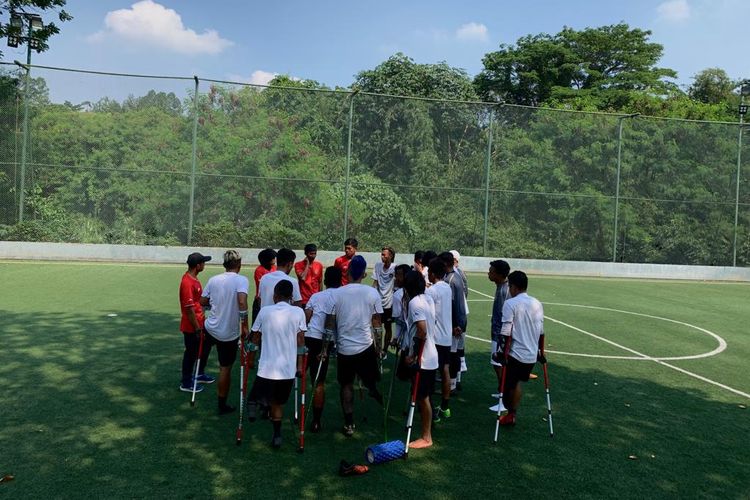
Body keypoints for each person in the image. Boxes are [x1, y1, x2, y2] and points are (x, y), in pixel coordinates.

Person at [326, 255, 384, 437]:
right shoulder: (372, 293)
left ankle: (349, 423)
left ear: (348, 272)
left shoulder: (337, 293)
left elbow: (330, 323)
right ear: (364, 274)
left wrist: (327, 345)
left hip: (345, 348)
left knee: (346, 385)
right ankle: (373, 389)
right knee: (369, 379)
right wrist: (379, 347)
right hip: (365, 346)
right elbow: (377, 323)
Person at [248, 280, 307, 448]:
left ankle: (256, 404)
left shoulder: (265, 311)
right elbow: (301, 341)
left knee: (255, 395)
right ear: (291, 296)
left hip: (266, 368)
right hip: (287, 371)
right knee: (277, 403)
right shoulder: (298, 312)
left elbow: (256, 338)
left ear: (275, 295)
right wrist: (300, 366)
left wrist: (251, 358)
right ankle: (277, 435)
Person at [200, 250, 249, 414]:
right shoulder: (241, 280)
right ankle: (222, 404)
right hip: (229, 333)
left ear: (224, 265)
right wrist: (245, 326)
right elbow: (242, 302)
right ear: (239, 265)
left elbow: (202, 301)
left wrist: (214, 306)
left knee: (202, 353)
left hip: (210, 327)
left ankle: (197, 374)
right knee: (225, 368)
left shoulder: (213, 279)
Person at [496, 271, 545, 426]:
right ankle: (512, 414)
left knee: (508, 385)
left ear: (515, 287)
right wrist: (540, 352)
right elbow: (541, 331)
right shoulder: (537, 303)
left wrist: (501, 353)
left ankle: (510, 414)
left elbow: (505, 331)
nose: (509, 289)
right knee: (516, 383)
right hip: (530, 354)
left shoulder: (511, 304)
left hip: (516, 353)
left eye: (510, 286)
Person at [303, 266, 342, 432]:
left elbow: (306, 317)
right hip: (327, 341)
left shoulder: (316, 295)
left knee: (306, 375)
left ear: (325, 280)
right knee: (319, 382)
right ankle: (316, 421)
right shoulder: (343, 297)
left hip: (311, 337)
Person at [403, 270, 439, 449]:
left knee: (423, 397)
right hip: (430, 356)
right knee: (422, 395)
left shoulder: (415, 303)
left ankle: (426, 436)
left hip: (424, 359)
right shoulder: (427, 299)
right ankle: (426, 431)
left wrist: (414, 355)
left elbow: (422, 330)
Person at [179, 252, 215, 392]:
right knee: (190, 353)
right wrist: (197, 328)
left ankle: (199, 374)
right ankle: (186, 382)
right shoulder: (187, 282)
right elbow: (189, 309)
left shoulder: (194, 279)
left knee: (204, 348)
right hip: (192, 326)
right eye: (203, 263)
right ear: (198, 265)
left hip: (200, 322)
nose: (205, 265)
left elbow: (197, 302)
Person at [425, 258, 452, 421]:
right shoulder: (447, 288)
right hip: (446, 337)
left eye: (429, 272)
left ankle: (431, 408)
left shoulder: (432, 291)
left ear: (433, 274)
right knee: (445, 370)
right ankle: (445, 406)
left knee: (429, 373)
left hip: (434, 337)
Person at [440, 251, 467, 393]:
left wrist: (457, 325)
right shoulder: (454, 277)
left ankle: (452, 385)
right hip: (457, 322)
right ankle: (454, 383)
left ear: (445, 264)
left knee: (452, 354)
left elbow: (455, 305)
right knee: (454, 353)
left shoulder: (451, 280)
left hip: (454, 324)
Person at [487, 259, 511, 406]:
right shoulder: (500, 286)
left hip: (500, 334)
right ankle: (502, 390)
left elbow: (506, 316)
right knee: (497, 363)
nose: (488, 273)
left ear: (499, 274)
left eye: (491, 271)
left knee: (498, 363)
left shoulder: (504, 291)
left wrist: (501, 336)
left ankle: (505, 396)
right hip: (497, 332)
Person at [449, 250, 470, 380]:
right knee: (457, 347)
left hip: (458, 314)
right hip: (461, 312)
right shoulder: (458, 274)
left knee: (455, 349)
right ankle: (458, 374)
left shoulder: (455, 275)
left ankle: (455, 379)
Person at [372, 246, 396, 351]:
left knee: (388, 327)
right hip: (378, 303)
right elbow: (375, 283)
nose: (382, 257)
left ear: (390, 256)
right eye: (381, 254)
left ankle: (385, 350)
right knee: (376, 327)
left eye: (384, 255)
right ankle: (377, 348)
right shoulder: (377, 266)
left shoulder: (395, 268)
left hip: (389, 303)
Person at [252, 248, 276, 323]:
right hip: (261, 299)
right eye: (273, 258)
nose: (275, 259)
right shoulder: (259, 270)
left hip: (272, 299)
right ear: (268, 260)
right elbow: (262, 287)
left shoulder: (274, 268)